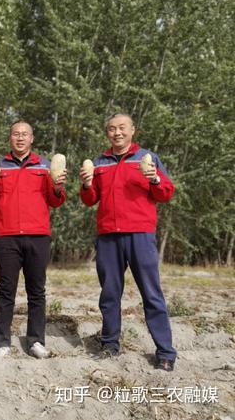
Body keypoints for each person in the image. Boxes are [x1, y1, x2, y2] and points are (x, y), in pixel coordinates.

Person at [79, 113, 177, 371]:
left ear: (133, 130)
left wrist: (155, 178)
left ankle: (165, 353)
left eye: (122, 128)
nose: (117, 133)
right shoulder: (99, 162)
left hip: (140, 235)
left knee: (151, 293)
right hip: (108, 236)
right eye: (112, 129)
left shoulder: (147, 158)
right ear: (107, 133)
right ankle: (110, 344)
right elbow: (90, 200)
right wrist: (87, 184)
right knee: (110, 294)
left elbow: (166, 192)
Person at [0, 120, 66, 358]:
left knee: (36, 291)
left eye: (24, 134)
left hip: (38, 236)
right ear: (10, 138)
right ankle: (2, 342)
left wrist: (58, 188)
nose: (20, 138)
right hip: (7, 237)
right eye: (16, 134)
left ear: (32, 138)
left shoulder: (45, 165)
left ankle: (36, 340)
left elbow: (56, 201)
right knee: (6, 290)